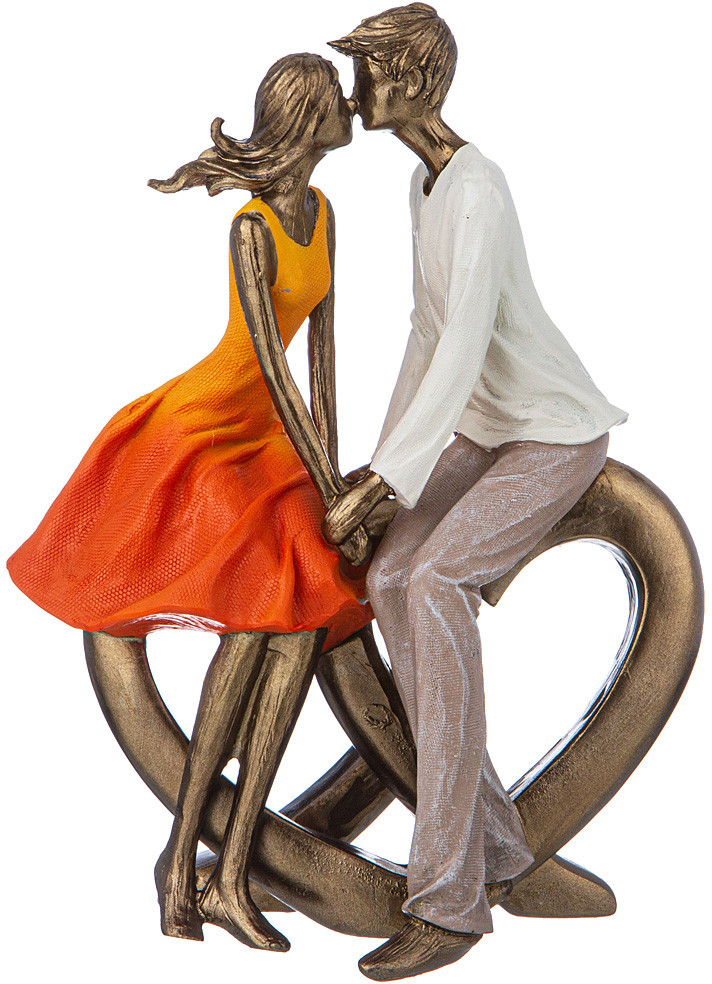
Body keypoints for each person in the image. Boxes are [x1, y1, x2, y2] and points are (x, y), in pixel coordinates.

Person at [7, 53, 371, 953]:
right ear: (305, 118)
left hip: (279, 440)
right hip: (208, 430)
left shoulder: (326, 214)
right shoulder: (251, 228)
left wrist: (336, 477)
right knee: (262, 611)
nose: (350, 106)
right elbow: (270, 367)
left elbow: (323, 359)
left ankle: (223, 874)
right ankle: (187, 869)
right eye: (333, 98)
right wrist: (326, 482)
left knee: (297, 624)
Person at [326, 6, 628, 979]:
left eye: (369, 72)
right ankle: (497, 850)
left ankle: (448, 904)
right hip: (484, 430)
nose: (356, 92)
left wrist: (391, 477)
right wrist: (383, 469)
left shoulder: (480, 188)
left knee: (435, 580)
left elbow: (462, 344)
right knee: (389, 579)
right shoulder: (425, 184)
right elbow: (427, 331)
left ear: (414, 80)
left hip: (550, 432)